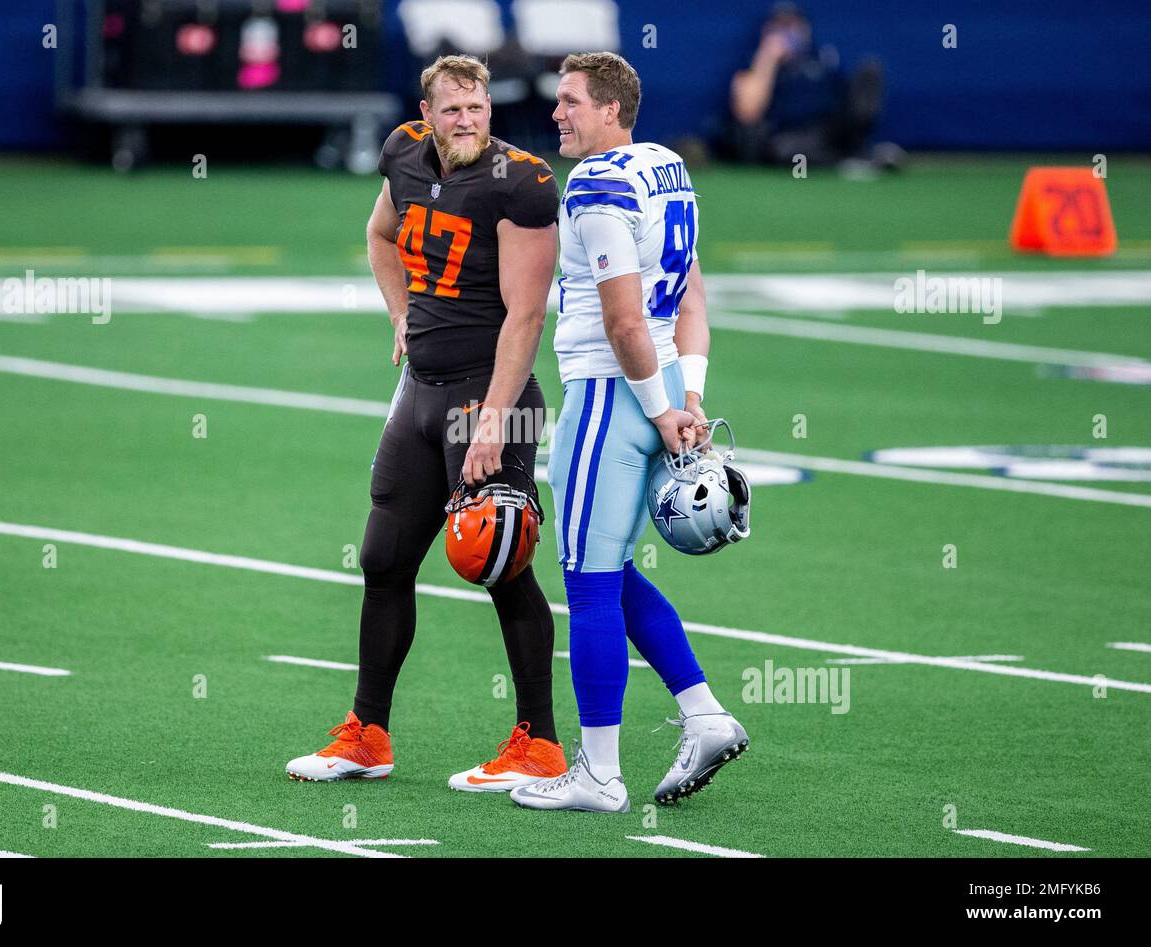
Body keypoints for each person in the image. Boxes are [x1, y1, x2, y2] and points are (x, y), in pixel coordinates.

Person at [286, 55, 569, 793]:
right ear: (427, 111)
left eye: (478, 107)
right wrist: (402, 311)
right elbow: (380, 235)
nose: (468, 120)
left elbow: (528, 315)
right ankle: (367, 736)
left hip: (485, 397)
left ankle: (539, 741)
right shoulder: (404, 154)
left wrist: (494, 423)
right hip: (421, 391)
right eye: (453, 110)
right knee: (382, 560)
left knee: (499, 563)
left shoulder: (521, 183)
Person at [511, 52, 749, 813]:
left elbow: (620, 321)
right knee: (610, 574)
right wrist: (687, 396)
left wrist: (655, 406)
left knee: (585, 581)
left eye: (572, 102)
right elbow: (693, 297)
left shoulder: (599, 182)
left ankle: (599, 774)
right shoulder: (668, 168)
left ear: (612, 109)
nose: (558, 115)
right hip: (663, 386)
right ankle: (704, 712)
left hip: (614, 396)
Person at [727, 2, 901, 170]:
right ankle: (854, 160)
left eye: (792, 24)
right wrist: (768, 58)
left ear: (805, 29)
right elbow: (748, 113)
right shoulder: (755, 64)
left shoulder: (824, 58)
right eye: (780, 26)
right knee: (788, 153)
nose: (787, 32)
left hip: (833, 129)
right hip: (793, 137)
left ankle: (858, 151)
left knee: (870, 69)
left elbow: (849, 100)